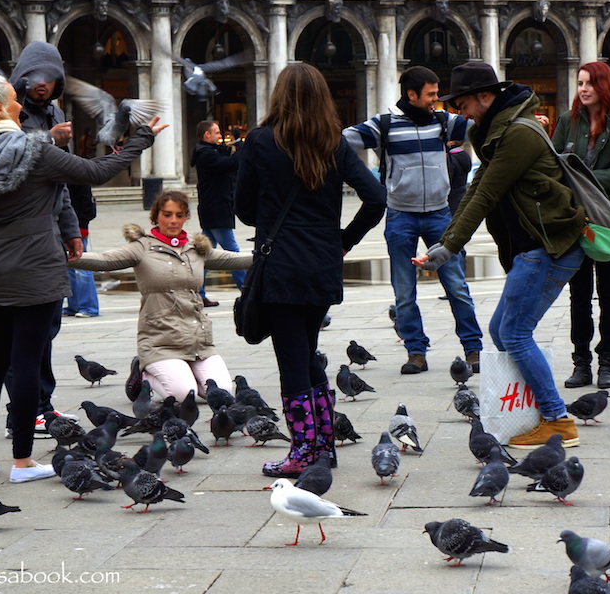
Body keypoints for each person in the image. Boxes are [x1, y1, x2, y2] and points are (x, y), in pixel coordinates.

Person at [0, 71, 165, 483]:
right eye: (13, 101)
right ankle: (22, 462)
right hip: (37, 270)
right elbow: (96, 172)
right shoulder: (35, 150)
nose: (21, 106)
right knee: (26, 365)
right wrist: (141, 139)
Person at [415, 62, 587, 449]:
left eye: (463, 104)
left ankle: (557, 419)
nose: (461, 113)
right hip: (532, 247)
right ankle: (531, 412)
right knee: (501, 331)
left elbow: (488, 193)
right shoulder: (491, 132)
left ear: (486, 96)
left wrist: (448, 248)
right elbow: (475, 191)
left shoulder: (518, 134)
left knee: (514, 332)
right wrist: (445, 242)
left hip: (549, 246)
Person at [236, 63, 386, 477]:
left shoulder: (261, 141)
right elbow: (376, 199)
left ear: (279, 95)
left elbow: (243, 209)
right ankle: (323, 446)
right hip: (321, 265)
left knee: (292, 361)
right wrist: (344, 239)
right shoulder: (334, 144)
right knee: (307, 353)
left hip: (281, 265)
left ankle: (303, 449)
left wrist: (270, 214)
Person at [344, 66, 483, 375]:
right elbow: (342, 140)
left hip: (439, 214)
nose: (437, 100)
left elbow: (481, 123)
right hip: (400, 216)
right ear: (412, 95)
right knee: (404, 292)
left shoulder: (443, 122)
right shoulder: (384, 125)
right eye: (431, 94)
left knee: (456, 286)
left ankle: (473, 350)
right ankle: (416, 353)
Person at [69, 191, 250, 402]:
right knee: (182, 395)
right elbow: (103, 260)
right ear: (156, 216)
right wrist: (61, 255)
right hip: (160, 341)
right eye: (167, 214)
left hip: (198, 341)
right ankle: (144, 373)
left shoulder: (196, 248)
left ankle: (184, 372)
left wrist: (271, 252)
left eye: (179, 215)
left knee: (222, 392)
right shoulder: (141, 247)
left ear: (186, 217)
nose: (173, 221)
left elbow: (236, 259)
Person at [552, 62, 610, 390]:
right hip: (576, 221)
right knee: (578, 295)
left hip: (609, 219)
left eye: (590, 83)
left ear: (604, 85)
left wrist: (590, 180)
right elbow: (554, 165)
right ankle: (581, 363)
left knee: (609, 294)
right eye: (580, 83)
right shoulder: (568, 121)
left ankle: (607, 362)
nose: (583, 89)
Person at [4, 41, 79, 438]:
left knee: (48, 326)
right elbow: (11, 167)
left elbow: (59, 179)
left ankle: (39, 403)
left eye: (51, 78)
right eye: (35, 77)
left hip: (49, 232)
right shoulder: (9, 115)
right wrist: (50, 140)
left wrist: (71, 230)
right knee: (22, 332)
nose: (43, 85)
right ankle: (25, 408)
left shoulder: (56, 112)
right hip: (18, 234)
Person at [192, 119, 245, 308]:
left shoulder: (206, 151)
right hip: (216, 210)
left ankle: (198, 294)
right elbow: (230, 163)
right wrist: (244, 150)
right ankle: (248, 291)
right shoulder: (206, 155)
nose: (220, 137)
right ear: (207, 135)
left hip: (213, 209)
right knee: (233, 254)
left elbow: (223, 155)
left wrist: (234, 146)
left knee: (203, 255)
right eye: (217, 133)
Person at [62, 181, 100, 317]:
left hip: (78, 226)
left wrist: (82, 225)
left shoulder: (79, 178)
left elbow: (87, 206)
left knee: (82, 267)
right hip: (64, 225)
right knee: (68, 266)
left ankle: (89, 306)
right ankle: (74, 305)